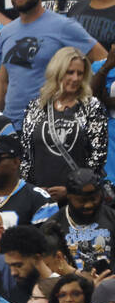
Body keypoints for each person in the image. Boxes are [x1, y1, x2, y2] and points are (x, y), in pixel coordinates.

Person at [0, 0, 103, 130]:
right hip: (11, 126)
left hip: (48, 125)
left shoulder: (63, 26)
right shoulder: (6, 32)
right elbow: (2, 81)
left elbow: (101, 57)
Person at [19, 46, 107, 200]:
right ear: (57, 72)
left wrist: (72, 190)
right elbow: (26, 156)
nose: (75, 78)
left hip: (78, 198)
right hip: (39, 196)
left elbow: (97, 158)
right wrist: (34, 190)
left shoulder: (92, 106)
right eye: (70, 72)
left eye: (80, 73)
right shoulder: (36, 106)